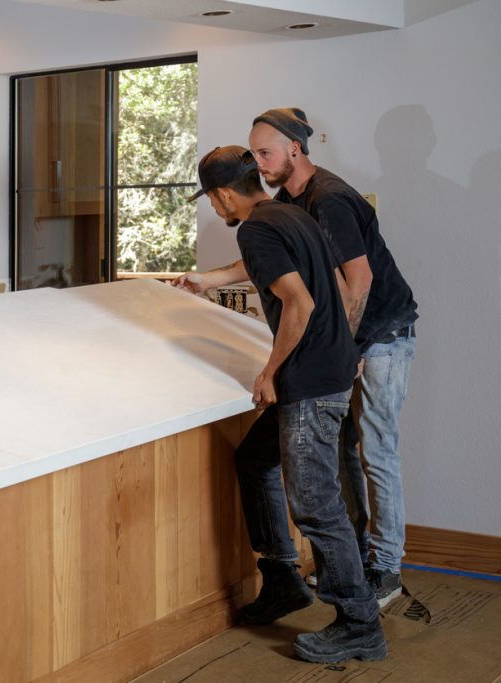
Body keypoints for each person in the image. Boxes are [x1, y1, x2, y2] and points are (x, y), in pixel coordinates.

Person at [176, 146, 385, 663]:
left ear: (224, 194)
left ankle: (359, 622)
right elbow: (323, 280)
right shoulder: (289, 212)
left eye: (213, 201)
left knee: (315, 504)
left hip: (309, 382)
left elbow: (300, 301)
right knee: (254, 459)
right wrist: (209, 280)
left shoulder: (256, 227)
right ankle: (282, 577)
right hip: (330, 367)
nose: (217, 210)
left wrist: (270, 370)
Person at [249, 108, 418, 607]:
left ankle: (386, 570)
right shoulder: (288, 198)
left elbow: (359, 281)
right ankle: (357, 562)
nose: (258, 163)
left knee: (377, 451)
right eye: (255, 153)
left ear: (295, 150)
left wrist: (346, 349)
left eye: (266, 153)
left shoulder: (330, 199)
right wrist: (209, 279)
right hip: (354, 340)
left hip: (383, 335)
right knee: (344, 451)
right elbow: (277, 257)